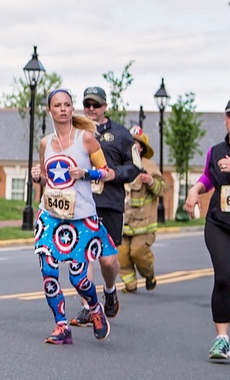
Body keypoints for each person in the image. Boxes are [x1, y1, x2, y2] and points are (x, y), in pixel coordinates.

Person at [31, 89, 117, 344]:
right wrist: (38, 175)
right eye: (57, 105)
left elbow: (108, 172)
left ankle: (95, 309)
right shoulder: (45, 143)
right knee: (48, 270)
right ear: (50, 110)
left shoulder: (87, 139)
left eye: (67, 104)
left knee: (79, 278)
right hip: (51, 215)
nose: (63, 109)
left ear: (71, 109)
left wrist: (86, 174)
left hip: (80, 217)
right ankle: (61, 326)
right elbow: (47, 178)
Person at [69, 86, 139, 327]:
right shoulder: (74, 132)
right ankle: (89, 307)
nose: (91, 109)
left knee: (107, 261)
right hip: (79, 203)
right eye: (87, 104)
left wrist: (113, 174)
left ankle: (110, 290)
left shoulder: (120, 134)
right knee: (82, 257)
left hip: (108, 203)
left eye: (96, 105)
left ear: (105, 107)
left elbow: (135, 167)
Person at [184, 97, 230, 361]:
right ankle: (222, 340)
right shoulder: (216, 150)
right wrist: (195, 190)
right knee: (223, 277)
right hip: (220, 222)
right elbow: (209, 177)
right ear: (225, 119)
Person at [118, 126, 165, 292]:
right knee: (121, 255)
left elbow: (162, 189)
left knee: (138, 252)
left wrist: (151, 181)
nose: (132, 145)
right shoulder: (119, 164)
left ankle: (149, 274)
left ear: (142, 147)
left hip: (143, 222)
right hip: (123, 220)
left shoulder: (149, 166)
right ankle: (130, 285)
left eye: (135, 143)